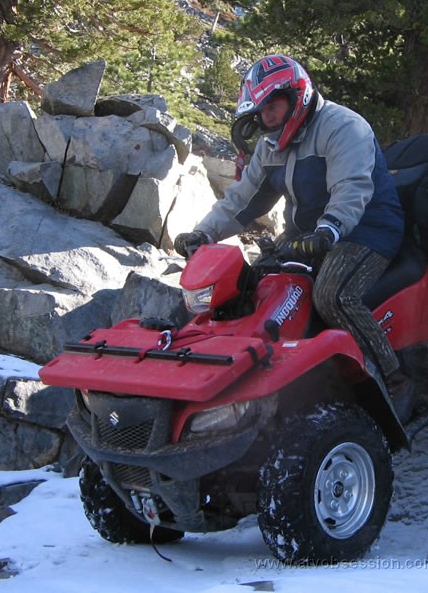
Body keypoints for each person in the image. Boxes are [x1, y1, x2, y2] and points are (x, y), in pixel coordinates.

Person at [173, 54, 414, 417]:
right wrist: (203, 233)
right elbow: (242, 200)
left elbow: (351, 189)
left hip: (366, 228)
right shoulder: (271, 145)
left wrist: (329, 229)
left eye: (273, 106)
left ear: (296, 96)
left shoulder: (343, 127)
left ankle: (394, 379)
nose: (267, 117)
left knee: (333, 295)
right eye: (261, 110)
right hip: (307, 233)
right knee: (252, 285)